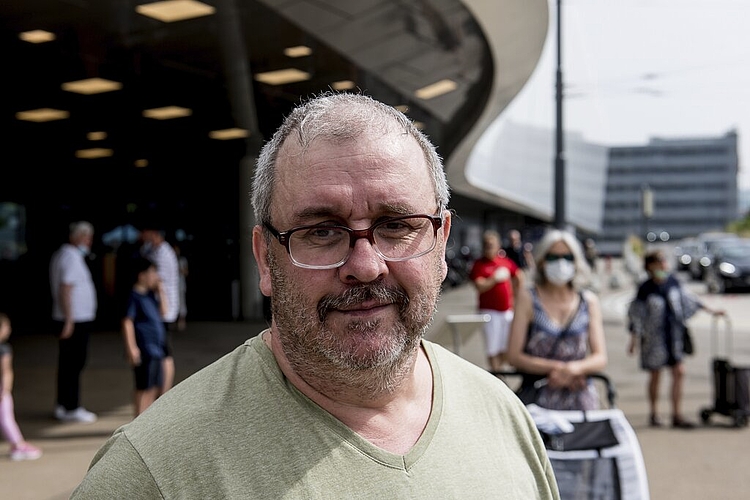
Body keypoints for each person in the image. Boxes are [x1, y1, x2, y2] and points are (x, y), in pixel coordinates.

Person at [71, 93, 559, 499]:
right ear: (265, 258)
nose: (366, 266)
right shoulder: (151, 474)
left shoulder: (503, 415)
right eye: (322, 232)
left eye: (396, 226)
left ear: (442, 242)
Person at [507, 229, 607, 411]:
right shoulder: (528, 298)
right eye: (553, 257)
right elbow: (514, 356)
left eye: (568, 257)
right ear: (542, 261)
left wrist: (573, 370)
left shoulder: (588, 301)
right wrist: (557, 368)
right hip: (538, 403)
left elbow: (600, 357)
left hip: (581, 401)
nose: (561, 263)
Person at [627, 249, 724, 429]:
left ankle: (676, 414)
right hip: (654, 339)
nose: (664, 265)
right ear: (651, 266)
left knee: (679, 371)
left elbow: (691, 300)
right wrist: (634, 339)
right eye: (660, 261)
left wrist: (711, 311)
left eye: (664, 261)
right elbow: (636, 315)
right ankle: (654, 412)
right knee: (655, 374)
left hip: (674, 336)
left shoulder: (673, 283)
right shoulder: (645, 289)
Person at [49, 221, 98, 423]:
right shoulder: (70, 257)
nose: (88, 242)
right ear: (76, 237)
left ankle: (63, 404)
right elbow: (66, 288)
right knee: (73, 364)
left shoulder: (66, 255)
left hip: (71, 319)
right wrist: (69, 320)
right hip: (74, 320)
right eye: (85, 237)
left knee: (68, 363)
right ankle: (71, 406)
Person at [469, 230, 523, 371]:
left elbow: (518, 276)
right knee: (492, 347)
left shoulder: (505, 261)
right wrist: (494, 279)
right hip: (489, 312)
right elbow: (479, 286)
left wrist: (517, 297)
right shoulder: (479, 264)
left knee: (506, 345)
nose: (489, 248)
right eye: (486, 245)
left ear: (498, 246)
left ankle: (499, 370)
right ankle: (497, 373)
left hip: (506, 311)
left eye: (492, 245)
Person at [121, 257, 169, 417]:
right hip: (145, 349)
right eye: (152, 272)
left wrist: (161, 290)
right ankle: (138, 419)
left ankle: (146, 417)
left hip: (157, 349)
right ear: (142, 275)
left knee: (155, 386)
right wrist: (132, 347)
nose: (156, 276)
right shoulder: (134, 297)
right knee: (143, 387)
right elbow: (127, 322)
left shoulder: (150, 295)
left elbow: (164, 311)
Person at [139, 225, 179, 396]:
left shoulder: (164, 253)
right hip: (160, 310)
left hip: (165, 310)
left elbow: (158, 282)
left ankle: (164, 392)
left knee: (165, 353)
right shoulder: (153, 249)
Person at [0, 313, 43, 461]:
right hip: (1, 390)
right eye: (6, 327)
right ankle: (18, 444)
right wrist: (5, 390)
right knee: (6, 418)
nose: (9, 329)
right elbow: (6, 371)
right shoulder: (4, 350)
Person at [174, 244, 189, 331]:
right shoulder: (170, 259)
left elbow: (186, 272)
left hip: (180, 285)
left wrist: (179, 269)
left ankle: (181, 320)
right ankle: (173, 321)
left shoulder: (182, 260)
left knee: (181, 303)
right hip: (172, 286)